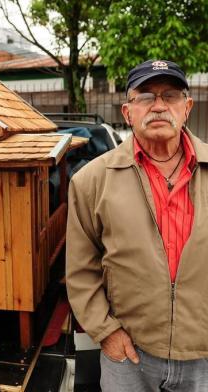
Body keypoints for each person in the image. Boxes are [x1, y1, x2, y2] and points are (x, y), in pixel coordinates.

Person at [66, 60, 208, 391]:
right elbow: (80, 270)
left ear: (186, 108)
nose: (158, 105)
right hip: (128, 356)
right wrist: (106, 332)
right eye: (145, 96)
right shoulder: (91, 181)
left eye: (170, 95)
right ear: (128, 112)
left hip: (202, 356)